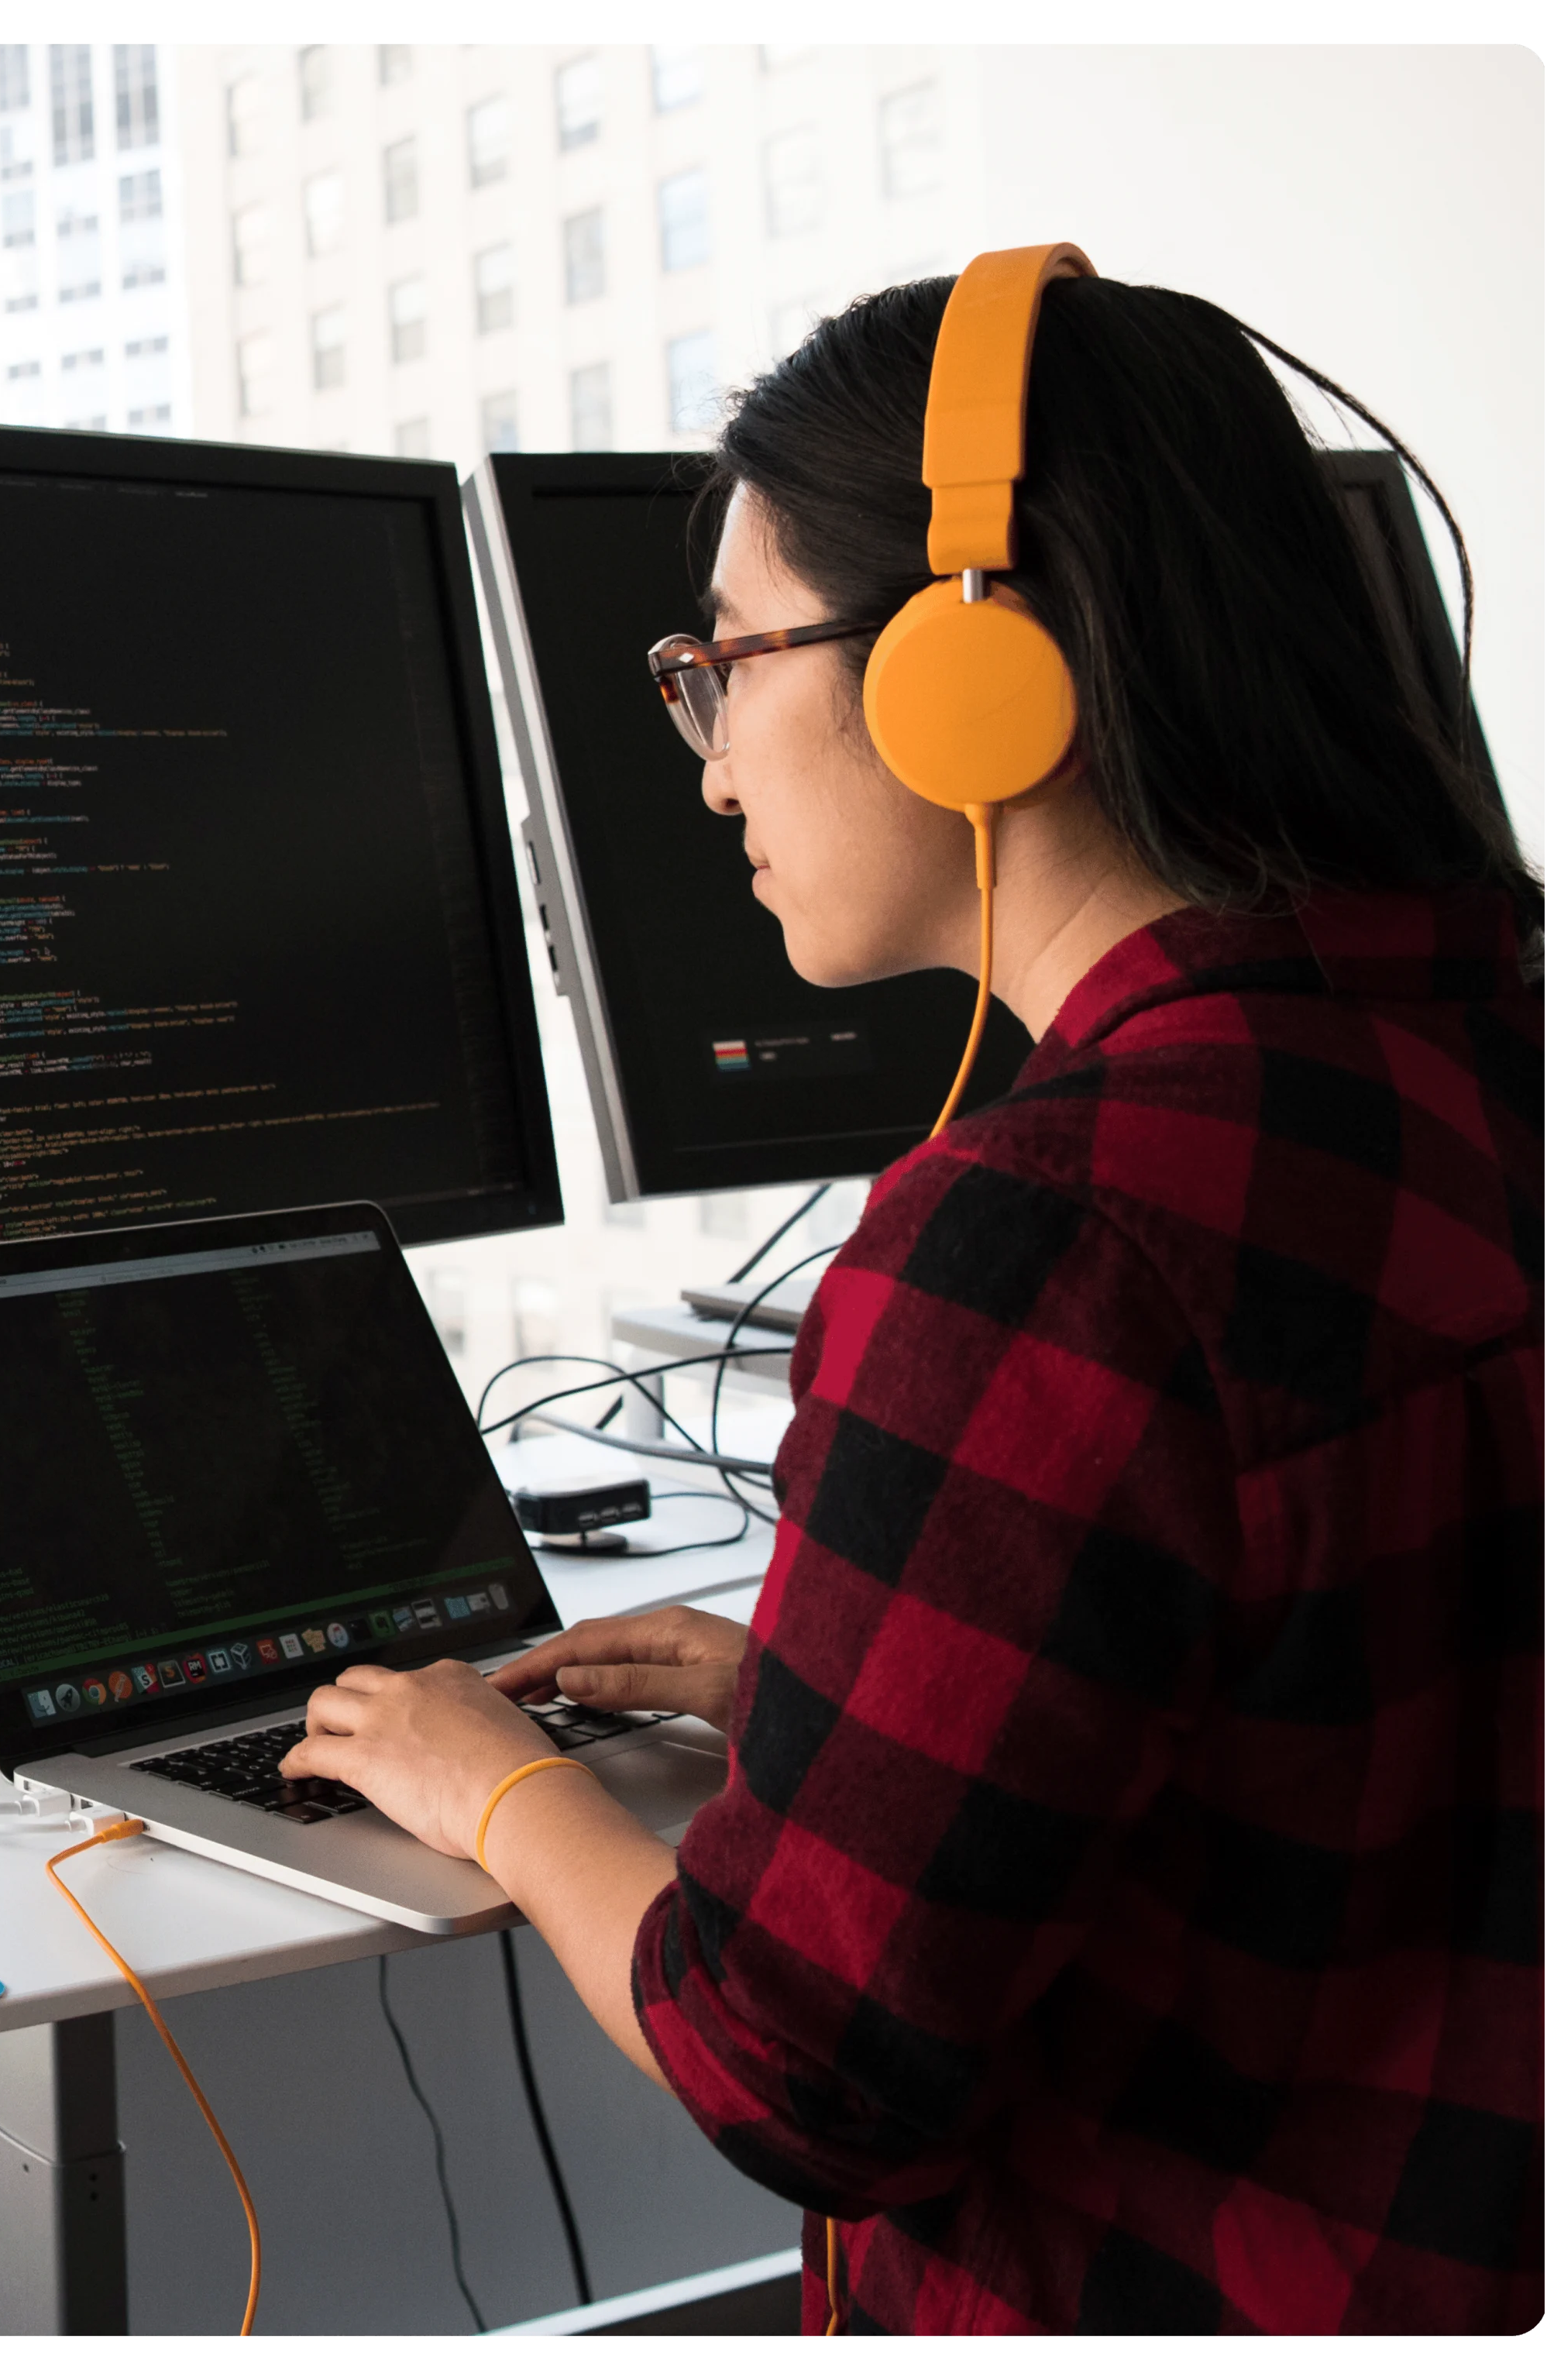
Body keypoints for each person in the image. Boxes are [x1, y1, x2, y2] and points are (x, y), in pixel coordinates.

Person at [282, 264, 1545, 2335]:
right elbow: (1348, 1718)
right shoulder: (1477, 1065)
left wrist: (489, 1782)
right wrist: (825, 1697)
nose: (704, 770)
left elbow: (799, 2066)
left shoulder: (1048, 1240)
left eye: (723, 666)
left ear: (976, 677)